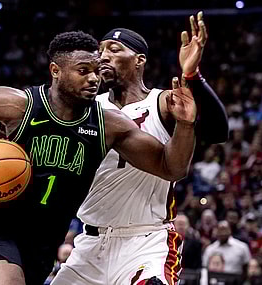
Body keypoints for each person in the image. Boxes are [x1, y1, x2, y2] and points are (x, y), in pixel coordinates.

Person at [0, 31, 197, 285]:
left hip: (41, 244)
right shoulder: (17, 105)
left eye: (96, 71)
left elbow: (170, 167)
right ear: (55, 71)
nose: (94, 78)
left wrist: (185, 126)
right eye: (83, 71)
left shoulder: (109, 125)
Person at [52, 12, 228, 285]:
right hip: (90, 243)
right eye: (99, 51)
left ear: (139, 60)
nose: (103, 56)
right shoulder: (86, 107)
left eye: (113, 49)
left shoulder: (162, 101)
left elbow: (218, 131)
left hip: (146, 240)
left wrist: (192, 76)